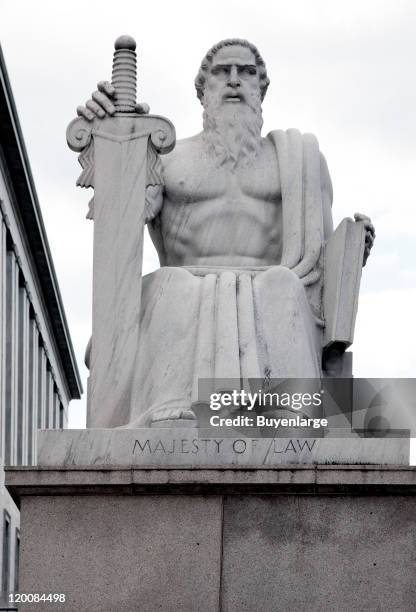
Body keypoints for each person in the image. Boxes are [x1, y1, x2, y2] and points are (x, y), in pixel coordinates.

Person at [78, 39, 375, 426]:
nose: (234, 81)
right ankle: (167, 407)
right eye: (222, 72)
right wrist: (117, 146)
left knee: (281, 284)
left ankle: (290, 411)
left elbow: (319, 259)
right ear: (203, 90)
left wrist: (352, 254)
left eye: (247, 73)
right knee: (173, 286)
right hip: (182, 294)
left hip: (274, 294)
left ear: (260, 89)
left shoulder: (299, 159)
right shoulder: (166, 160)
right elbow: (120, 223)